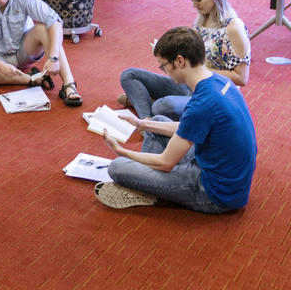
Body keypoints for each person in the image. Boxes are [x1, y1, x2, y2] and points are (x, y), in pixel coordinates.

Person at [96, 26, 257, 213]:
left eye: (163, 66)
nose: (164, 72)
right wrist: (143, 124)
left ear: (180, 61)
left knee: (117, 167)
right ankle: (145, 180)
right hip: (228, 178)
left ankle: (144, 185)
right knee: (157, 122)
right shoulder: (219, 81)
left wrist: (121, 151)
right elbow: (189, 126)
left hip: (214, 193)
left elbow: (166, 162)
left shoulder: (202, 104)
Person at [119, 0, 250, 120]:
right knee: (129, 75)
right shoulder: (203, 20)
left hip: (213, 94)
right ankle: (147, 119)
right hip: (190, 84)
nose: (194, 5)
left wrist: (197, 69)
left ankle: (145, 110)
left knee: (162, 106)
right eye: (192, 0)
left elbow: (241, 78)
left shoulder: (233, 28)